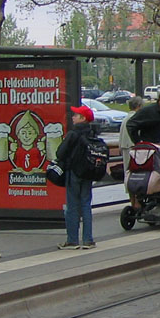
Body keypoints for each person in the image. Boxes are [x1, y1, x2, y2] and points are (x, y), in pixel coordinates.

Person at [57, 104, 96, 249]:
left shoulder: (73, 134)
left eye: (76, 115)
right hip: (88, 172)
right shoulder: (92, 133)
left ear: (82, 118)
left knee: (72, 206)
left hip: (73, 172)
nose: (72, 117)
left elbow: (60, 153)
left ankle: (72, 240)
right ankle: (88, 239)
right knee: (86, 204)